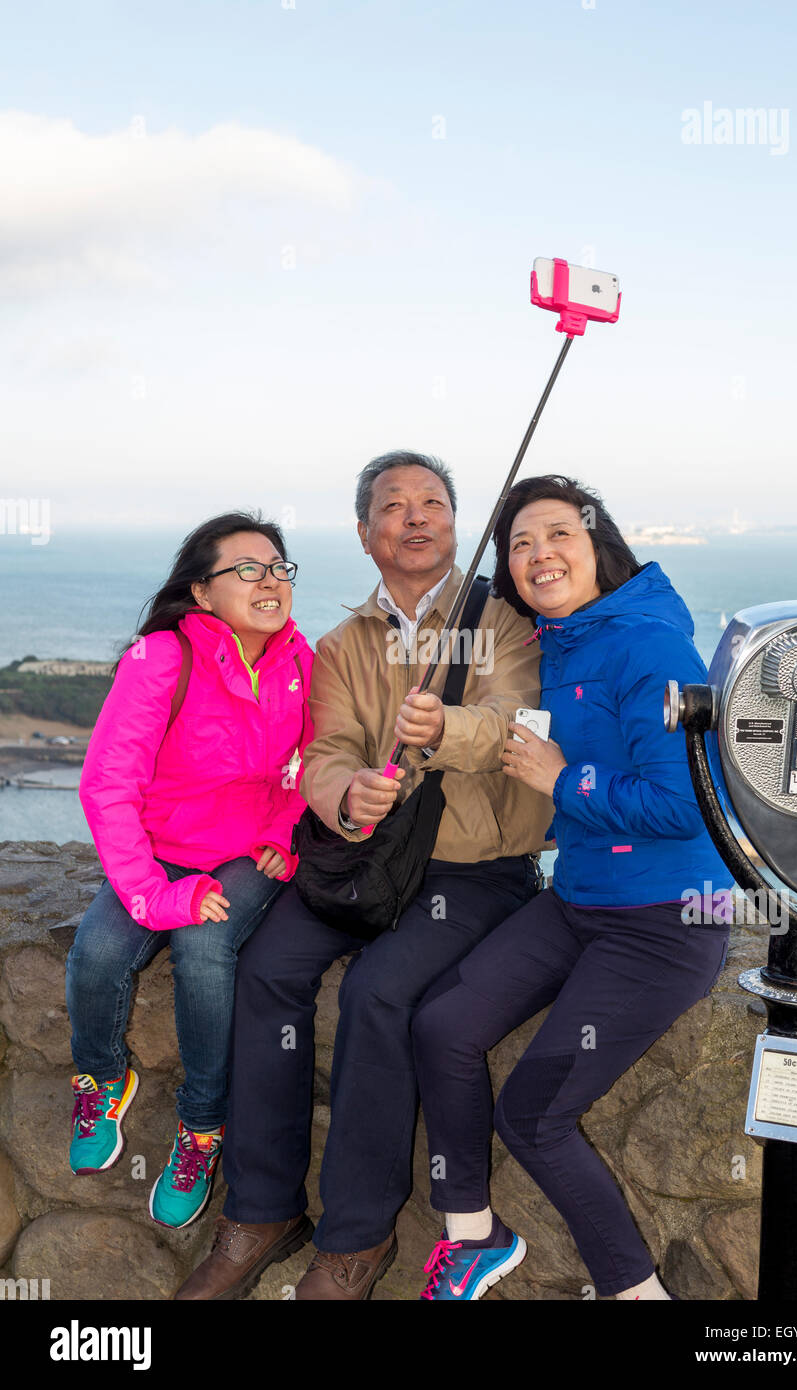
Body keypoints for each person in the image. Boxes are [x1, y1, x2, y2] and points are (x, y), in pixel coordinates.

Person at [175, 450, 553, 1300]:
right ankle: (262, 1209)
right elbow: (328, 750)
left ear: (459, 525)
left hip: (476, 869)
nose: (416, 517)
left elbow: (512, 723)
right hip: (369, 861)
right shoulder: (344, 644)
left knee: (378, 993)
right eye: (394, 506)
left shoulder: (504, 620)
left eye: (434, 503)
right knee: (266, 967)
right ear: (365, 532)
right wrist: (346, 790)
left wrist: (443, 726)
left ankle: (355, 1238)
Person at [411, 474, 732, 1301]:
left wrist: (563, 782)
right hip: (579, 900)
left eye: (558, 534)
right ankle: (475, 1236)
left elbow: (685, 803)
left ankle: (636, 1294)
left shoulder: (650, 646)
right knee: (443, 1024)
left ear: (600, 548)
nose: (537, 554)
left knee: (533, 1115)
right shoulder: (558, 640)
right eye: (519, 543)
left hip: (663, 924)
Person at [66, 512, 314, 1232]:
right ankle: (103, 1079)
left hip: (248, 851)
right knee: (98, 952)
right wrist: (150, 892)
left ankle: (202, 1129)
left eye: (277, 567)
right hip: (159, 848)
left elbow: (309, 767)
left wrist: (281, 833)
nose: (269, 580)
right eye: (247, 569)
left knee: (206, 950)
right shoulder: (162, 658)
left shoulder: (302, 662)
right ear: (202, 593)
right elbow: (107, 784)